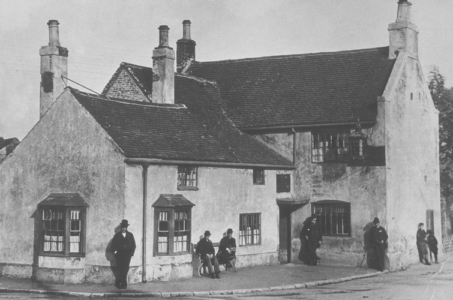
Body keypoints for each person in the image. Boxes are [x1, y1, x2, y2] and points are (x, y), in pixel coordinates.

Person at [111, 219, 136, 289]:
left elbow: (133, 245)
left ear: (127, 227)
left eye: (125, 227)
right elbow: (113, 245)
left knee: (125, 269)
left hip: (127, 255)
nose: (123, 228)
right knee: (119, 268)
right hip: (119, 255)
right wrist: (115, 252)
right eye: (122, 227)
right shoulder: (117, 235)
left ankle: (124, 284)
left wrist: (131, 253)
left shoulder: (130, 235)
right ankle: (118, 283)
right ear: (121, 227)